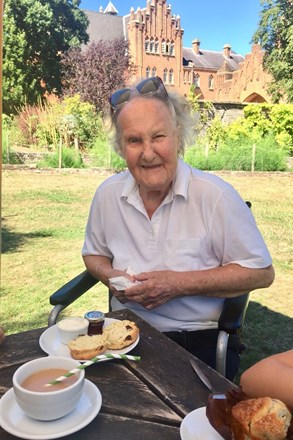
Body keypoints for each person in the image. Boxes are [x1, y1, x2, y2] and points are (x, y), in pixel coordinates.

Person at [82, 76, 275, 380]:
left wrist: (176, 284)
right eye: (134, 141)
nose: (147, 153)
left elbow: (261, 273)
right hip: (121, 333)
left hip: (194, 339)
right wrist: (109, 276)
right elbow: (93, 254)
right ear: (121, 148)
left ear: (178, 136)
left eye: (158, 136)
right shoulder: (107, 195)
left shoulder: (215, 196)